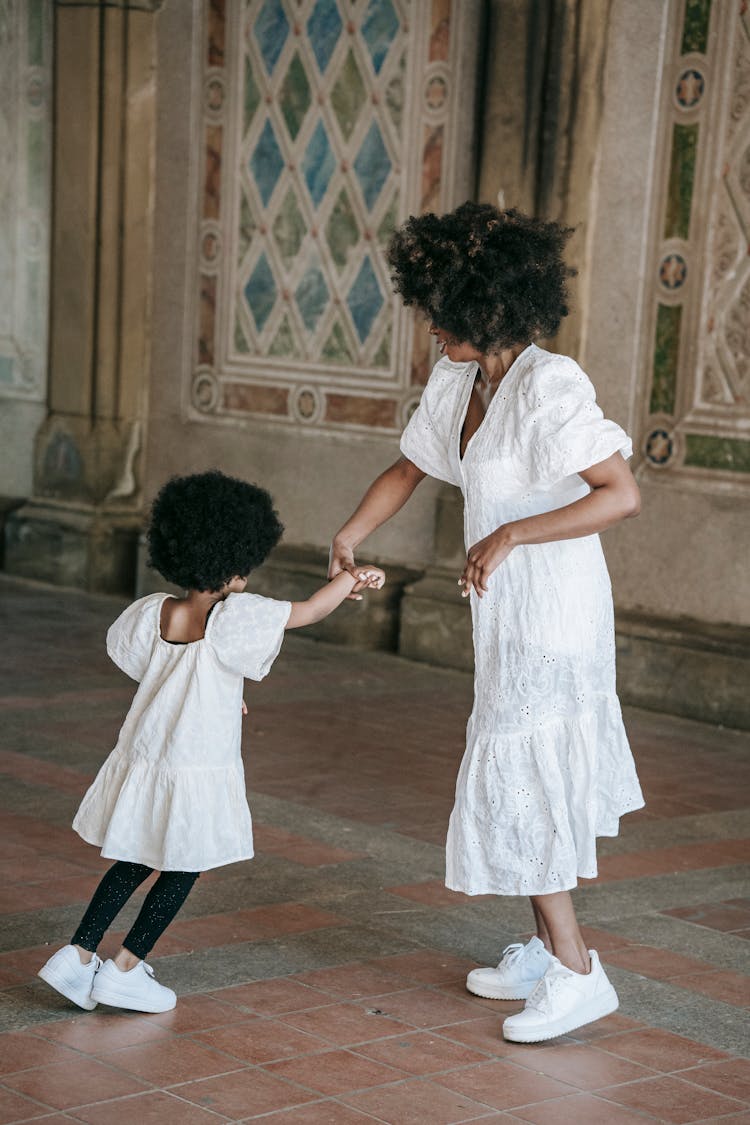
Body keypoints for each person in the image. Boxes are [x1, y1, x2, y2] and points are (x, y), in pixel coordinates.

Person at [329, 203, 644, 1043]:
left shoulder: (551, 383)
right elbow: (411, 465)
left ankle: (580, 973)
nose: (431, 327)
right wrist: (352, 532)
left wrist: (512, 531)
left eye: (442, 312)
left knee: (526, 776)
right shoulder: (458, 380)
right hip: (504, 614)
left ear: (486, 306)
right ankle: (546, 952)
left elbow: (620, 493)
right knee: (515, 771)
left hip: (557, 614)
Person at [39, 470, 384, 1014]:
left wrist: (220, 694)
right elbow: (310, 610)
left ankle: (77, 955)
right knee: (183, 865)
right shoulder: (236, 618)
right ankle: (126, 968)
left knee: (131, 857)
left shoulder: (156, 611)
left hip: (149, 755)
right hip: (195, 764)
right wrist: (355, 578)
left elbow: (161, 674)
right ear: (234, 560)